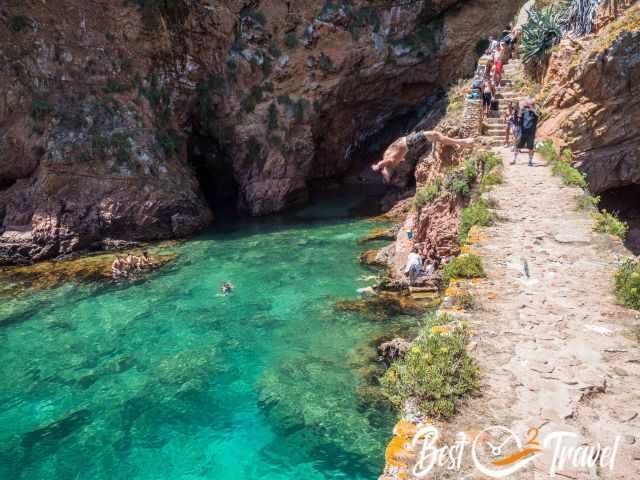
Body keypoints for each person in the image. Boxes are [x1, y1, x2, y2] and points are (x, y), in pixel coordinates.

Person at [372, 130, 475, 183]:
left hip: (410, 142)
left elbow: (386, 162)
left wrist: (379, 166)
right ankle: (462, 142)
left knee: (436, 136)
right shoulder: (389, 158)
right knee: (436, 135)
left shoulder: (390, 160)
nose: (387, 175)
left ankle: (459, 143)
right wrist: (378, 166)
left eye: (386, 176)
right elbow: (386, 161)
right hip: (410, 141)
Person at [513, 100, 539, 166]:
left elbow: (538, 114)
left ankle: (530, 161)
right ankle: (514, 159)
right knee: (518, 146)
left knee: (530, 148)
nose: (528, 107)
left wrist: (532, 109)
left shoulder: (535, 113)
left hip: (531, 133)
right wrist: (518, 111)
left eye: (531, 105)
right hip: (523, 132)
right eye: (528, 105)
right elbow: (518, 119)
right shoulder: (524, 112)